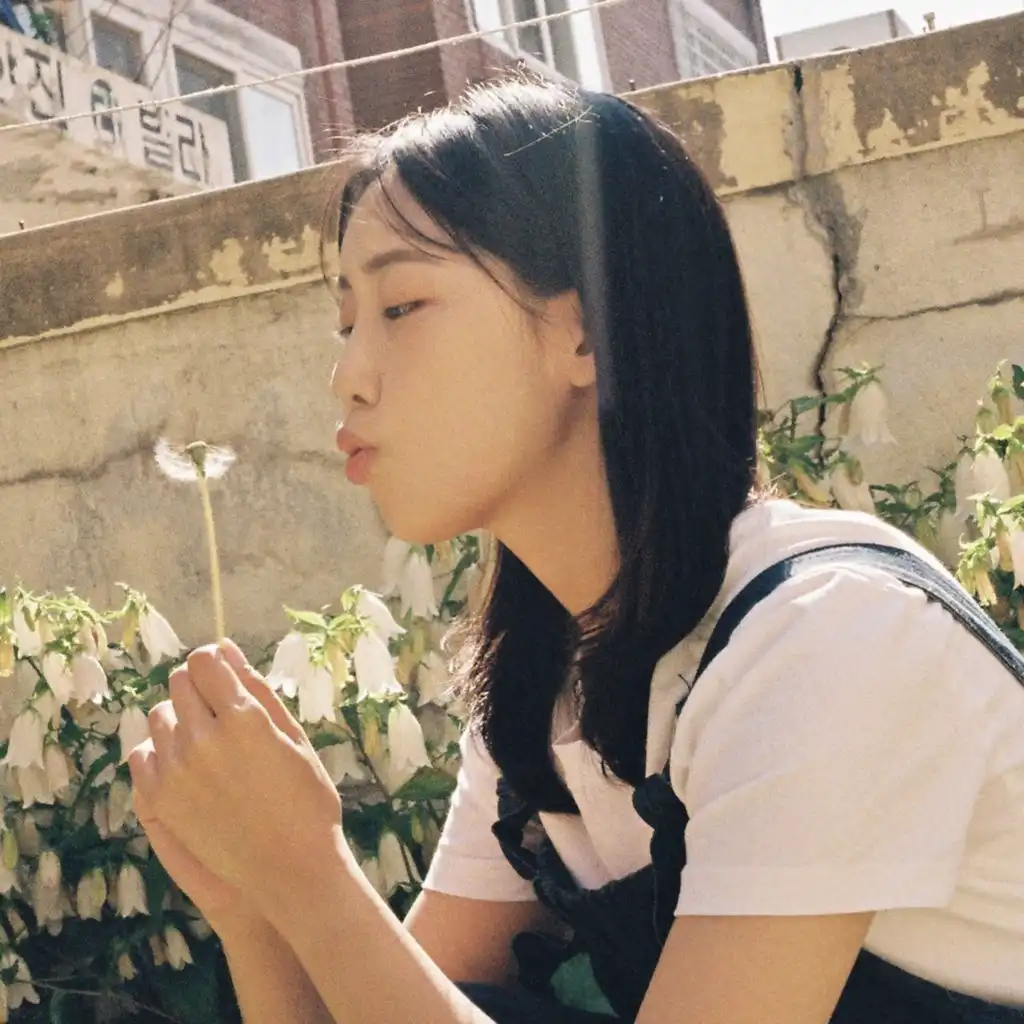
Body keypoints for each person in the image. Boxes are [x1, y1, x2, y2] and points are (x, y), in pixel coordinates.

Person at [126, 80, 1024, 1024]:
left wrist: (311, 875)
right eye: (348, 323)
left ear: (588, 329)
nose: (346, 377)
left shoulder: (823, 637)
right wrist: (256, 908)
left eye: (402, 306)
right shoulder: (542, 687)